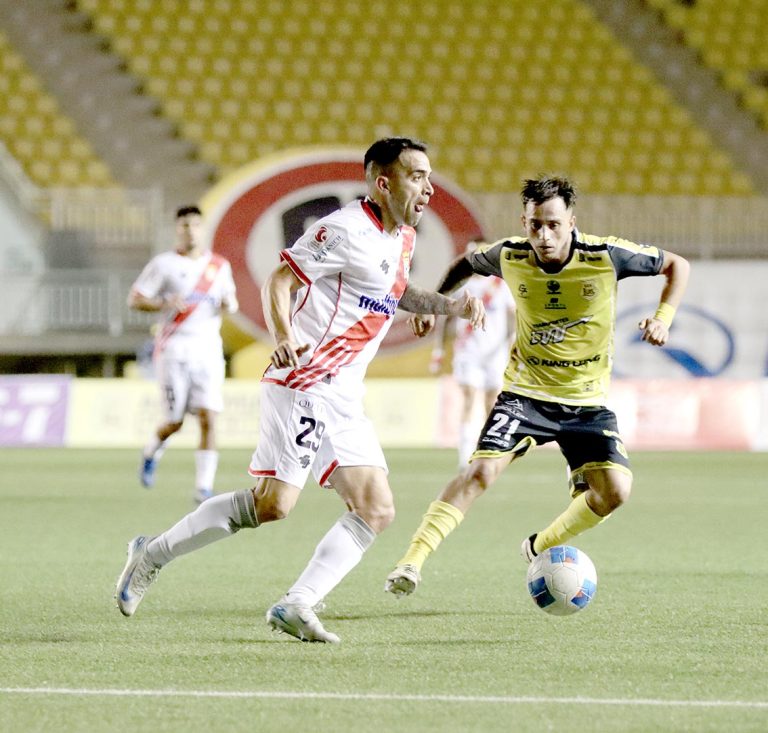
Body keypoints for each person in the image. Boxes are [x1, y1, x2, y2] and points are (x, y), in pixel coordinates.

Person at [115, 137, 486, 643]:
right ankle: (150, 555)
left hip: (344, 395)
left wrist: (447, 306)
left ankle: (297, 603)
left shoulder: (403, 237)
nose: (427, 188)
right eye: (416, 176)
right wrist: (286, 337)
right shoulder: (342, 229)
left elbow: (392, 292)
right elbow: (278, 284)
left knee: (376, 509)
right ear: (383, 182)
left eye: (428, 176)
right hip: (305, 380)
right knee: (273, 506)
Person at [385, 175, 690, 598]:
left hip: (587, 402)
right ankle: (411, 562)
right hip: (526, 394)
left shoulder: (606, 255)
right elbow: (466, 264)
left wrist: (663, 318)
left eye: (553, 225)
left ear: (572, 222)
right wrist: (436, 305)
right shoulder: (510, 254)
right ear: (524, 222)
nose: (543, 236)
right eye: (534, 225)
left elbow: (678, 265)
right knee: (479, 473)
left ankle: (538, 546)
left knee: (615, 493)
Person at [128, 205, 239, 505]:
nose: (190, 230)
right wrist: (164, 302)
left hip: (208, 351)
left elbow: (231, 302)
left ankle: (204, 487)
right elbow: (135, 299)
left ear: (203, 229)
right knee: (174, 421)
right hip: (174, 350)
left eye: (195, 225)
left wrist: (229, 305)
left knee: (208, 417)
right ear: (177, 229)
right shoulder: (163, 264)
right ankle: (151, 449)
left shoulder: (219, 266)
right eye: (184, 225)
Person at [430, 242, 515, 468]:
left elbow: (513, 318)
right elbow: (445, 320)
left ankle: (489, 454)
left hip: (495, 354)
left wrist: (513, 345)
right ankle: (465, 455)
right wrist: (439, 350)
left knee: (492, 402)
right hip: (468, 352)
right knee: (468, 399)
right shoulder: (461, 287)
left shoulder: (499, 285)